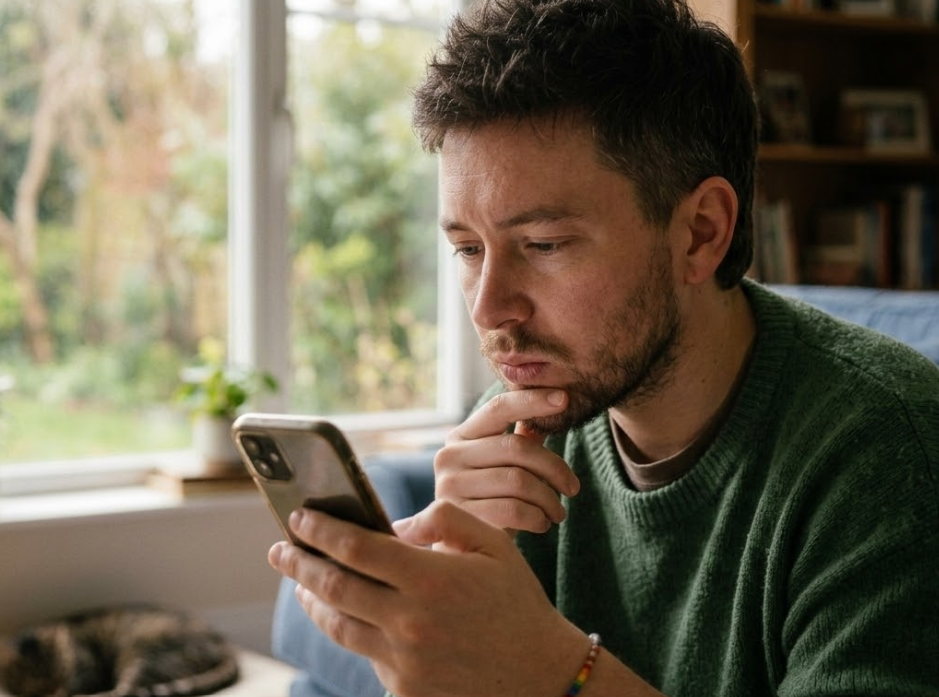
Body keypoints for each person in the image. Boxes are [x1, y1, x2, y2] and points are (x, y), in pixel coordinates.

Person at [269, 0, 939, 695]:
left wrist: (551, 668)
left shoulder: (888, 451)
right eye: (467, 248)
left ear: (700, 233)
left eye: (544, 245)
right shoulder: (527, 427)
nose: (488, 306)